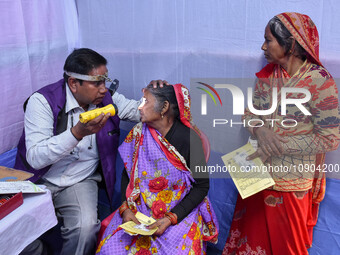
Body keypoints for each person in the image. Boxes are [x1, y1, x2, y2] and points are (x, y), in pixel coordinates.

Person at [15, 48, 167, 255]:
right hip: (40, 180)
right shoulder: (42, 102)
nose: (104, 89)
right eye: (97, 83)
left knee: (85, 229)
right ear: (73, 84)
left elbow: (138, 111)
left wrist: (159, 97)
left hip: (80, 180)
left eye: (105, 81)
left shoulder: (107, 99)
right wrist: (76, 133)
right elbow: (35, 158)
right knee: (15, 234)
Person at [223, 12, 340, 255]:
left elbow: (330, 138)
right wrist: (259, 129)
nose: (263, 47)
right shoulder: (268, 76)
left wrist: (279, 145)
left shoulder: (320, 82)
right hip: (256, 175)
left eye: (269, 40)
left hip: (292, 182)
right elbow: (249, 113)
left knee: (287, 247)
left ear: (292, 44)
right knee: (250, 242)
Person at [96, 83, 218, 254]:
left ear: (164, 107)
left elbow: (202, 186)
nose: (139, 106)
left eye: (145, 101)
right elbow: (128, 173)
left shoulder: (190, 140)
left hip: (178, 209)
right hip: (140, 207)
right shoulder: (139, 133)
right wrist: (125, 208)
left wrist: (170, 219)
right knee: (110, 250)